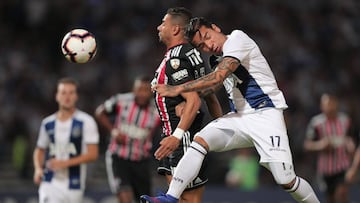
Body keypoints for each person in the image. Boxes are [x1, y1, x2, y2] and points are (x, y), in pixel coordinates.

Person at [141, 17, 320, 203]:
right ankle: (171, 197)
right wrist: (187, 101)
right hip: (240, 118)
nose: (209, 45)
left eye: (208, 37)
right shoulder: (216, 59)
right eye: (202, 46)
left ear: (216, 28)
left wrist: (178, 89)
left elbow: (218, 77)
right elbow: (210, 88)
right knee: (200, 140)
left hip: (266, 114)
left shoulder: (237, 39)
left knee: (285, 179)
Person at [147, 8, 223, 203]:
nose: (159, 27)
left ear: (175, 29)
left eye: (163, 23)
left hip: (181, 137)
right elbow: (210, 97)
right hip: (186, 136)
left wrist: (176, 136)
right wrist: (220, 130)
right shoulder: (192, 55)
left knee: (185, 199)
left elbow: (194, 100)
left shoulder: (177, 58)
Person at [95, 75, 161, 203]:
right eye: (139, 90)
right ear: (133, 90)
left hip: (141, 160)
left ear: (151, 91)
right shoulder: (121, 101)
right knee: (124, 196)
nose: (141, 94)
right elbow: (100, 112)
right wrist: (113, 131)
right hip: (119, 157)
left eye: (145, 90)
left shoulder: (157, 111)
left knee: (144, 199)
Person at [33, 77, 99, 203]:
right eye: (63, 92)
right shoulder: (47, 123)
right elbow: (40, 149)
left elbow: (93, 154)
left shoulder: (86, 121)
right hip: (50, 182)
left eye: (71, 92)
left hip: (74, 184)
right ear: (57, 96)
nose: (67, 96)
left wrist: (64, 163)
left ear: (76, 96)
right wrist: (38, 168)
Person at [304, 93, 355, 203]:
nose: (330, 107)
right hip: (325, 170)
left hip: (342, 167)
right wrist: (320, 145)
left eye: (332, 104)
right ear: (322, 106)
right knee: (330, 199)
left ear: (336, 105)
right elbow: (307, 145)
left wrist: (350, 146)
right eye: (327, 105)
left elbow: (351, 139)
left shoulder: (345, 121)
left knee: (341, 195)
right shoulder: (316, 123)